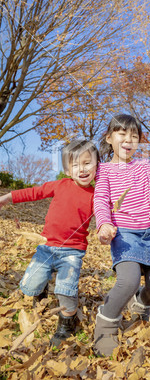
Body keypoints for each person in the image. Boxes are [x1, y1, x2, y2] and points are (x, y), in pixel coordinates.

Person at [0, 139, 99, 347]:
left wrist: (108, 229)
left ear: (97, 165)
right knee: (28, 287)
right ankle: (41, 288)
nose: (82, 169)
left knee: (65, 290)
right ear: (66, 169)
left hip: (72, 252)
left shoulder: (96, 195)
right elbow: (34, 192)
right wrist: (9, 197)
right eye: (75, 165)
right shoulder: (60, 185)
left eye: (88, 163)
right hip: (46, 247)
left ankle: (66, 324)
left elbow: (107, 215)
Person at [93, 114, 150, 357]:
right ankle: (106, 324)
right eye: (122, 133)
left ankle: (139, 305)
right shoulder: (104, 170)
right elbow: (100, 200)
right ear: (109, 138)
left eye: (134, 136)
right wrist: (103, 225)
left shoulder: (144, 167)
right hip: (125, 233)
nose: (128, 139)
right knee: (128, 281)